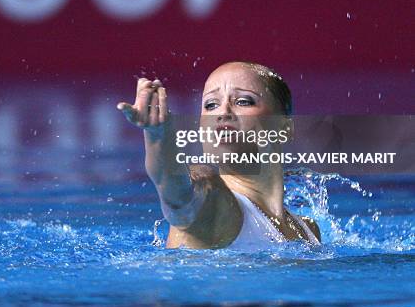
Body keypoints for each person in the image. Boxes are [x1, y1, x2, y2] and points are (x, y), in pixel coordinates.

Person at [117, 61, 321, 250]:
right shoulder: (213, 200)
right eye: (211, 105)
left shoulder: (308, 230)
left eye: (243, 101)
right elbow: (177, 194)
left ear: (283, 129)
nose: (222, 112)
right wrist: (158, 136)